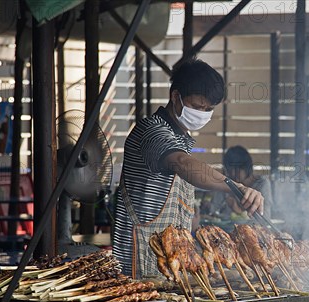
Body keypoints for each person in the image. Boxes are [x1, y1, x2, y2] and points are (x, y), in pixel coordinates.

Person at [113, 59, 264, 278]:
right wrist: (234, 186)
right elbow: (182, 164)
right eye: (196, 106)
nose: (202, 113)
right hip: (141, 262)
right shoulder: (151, 131)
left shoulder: (181, 140)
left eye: (208, 109)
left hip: (172, 261)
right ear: (176, 97)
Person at [206, 145, 273, 220]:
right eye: (230, 170)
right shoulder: (229, 181)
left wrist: (238, 211)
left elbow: (265, 218)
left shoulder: (261, 183)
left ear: (246, 167)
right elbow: (214, 210)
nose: (233, 174)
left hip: (250, 230)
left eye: (237, 170)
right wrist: (208, 206)